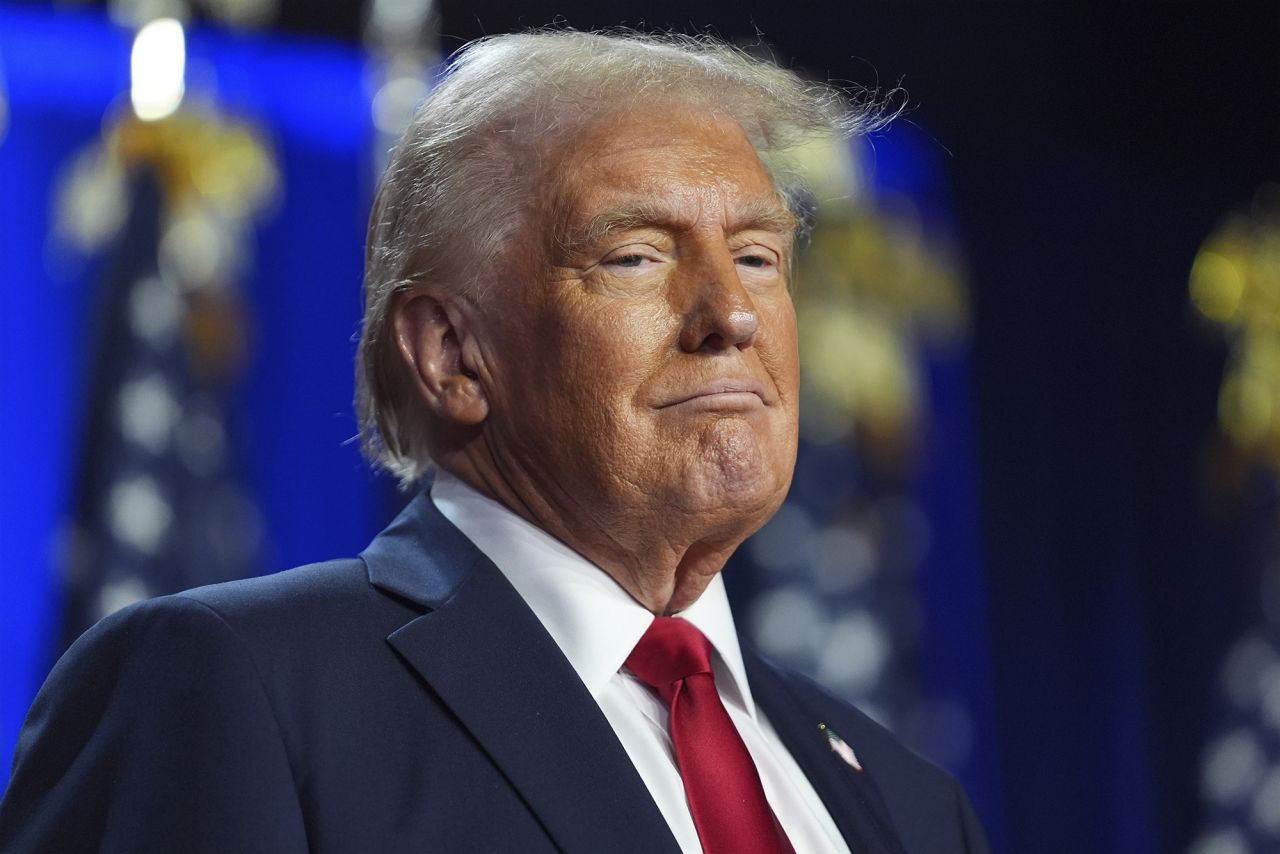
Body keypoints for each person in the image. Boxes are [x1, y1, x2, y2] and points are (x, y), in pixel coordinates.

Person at [0, 30, 991, 853]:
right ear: (451, 355)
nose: (729, 314)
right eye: (635, 255)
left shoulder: (908, 802)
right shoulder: (236, 690)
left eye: (756, 254)